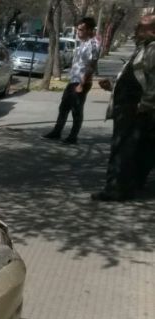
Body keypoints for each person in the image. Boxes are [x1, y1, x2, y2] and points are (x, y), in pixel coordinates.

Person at [91, 14, 155, 202]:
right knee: (133, 148)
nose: (137, 30)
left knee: (122, 149)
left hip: (134, 109)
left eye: (141, 27)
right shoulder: (143, 48)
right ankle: (130, 183)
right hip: (127, 107)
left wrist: (144, 105)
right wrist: (113, 85)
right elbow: (137, 77)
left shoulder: (152, 49)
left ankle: (116, 189)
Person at [43, 17, 99, 144]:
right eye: (77, 29)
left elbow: (92, 66)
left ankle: (73, 137)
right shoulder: (83, 42)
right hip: (73, 81)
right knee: (64, 107)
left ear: (89, 30)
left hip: (81, 82)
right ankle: (57, 132)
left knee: (76, 111)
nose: (78, 32)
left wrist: (82, 84)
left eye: (81, 29)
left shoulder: (93, 44)